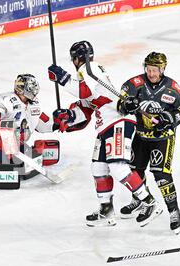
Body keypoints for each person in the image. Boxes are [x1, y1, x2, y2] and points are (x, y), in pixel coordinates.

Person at [47, 40, 162, 227]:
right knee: (98, 168)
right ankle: (106, 210)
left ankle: (149, 202)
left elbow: (83, 91)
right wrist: (66, 117)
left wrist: (62, 77)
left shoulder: (90, 68)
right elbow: (84, 113)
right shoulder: (84, 77)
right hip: (105, 126)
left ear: (77, 59)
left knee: (117, 166)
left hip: (118, 121)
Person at [118, 52, 180, 234]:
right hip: (141, 136)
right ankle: (141, 200)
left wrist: (170, 118)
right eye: (148, 69)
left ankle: (174, 211)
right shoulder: (135, 84)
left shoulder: (172, 87)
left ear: (163, 69)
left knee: (161, 175)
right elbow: (120, 104)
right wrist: (127, 105)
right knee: (134, 171)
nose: (151, 74)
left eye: (155, 70)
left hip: (163, 138)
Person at [0, 74, 55, 164]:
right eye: (31, 89)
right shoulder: (6, 100)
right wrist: (4, 132)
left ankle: (13, 159)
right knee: (5, 162)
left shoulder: (33, 104)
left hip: (13, 145)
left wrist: (59, 122)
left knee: (29, 157)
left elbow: (43, 122)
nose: (34, 92)